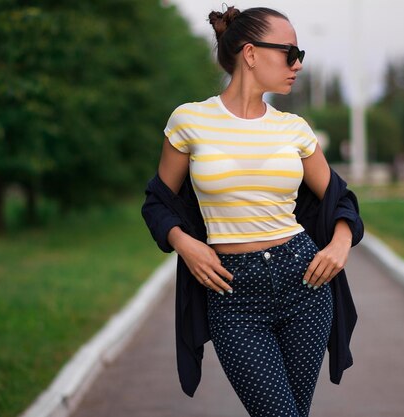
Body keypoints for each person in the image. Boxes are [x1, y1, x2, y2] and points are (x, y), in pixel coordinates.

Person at [142, 5, 364, 417]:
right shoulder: (189, 121)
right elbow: (158, 201)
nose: (297, 64)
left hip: (304, 286)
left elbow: (341, 198)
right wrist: (185, 244)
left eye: (300, 55)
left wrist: (340, 243)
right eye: (289, 52)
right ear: (250, 53)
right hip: (233, 296)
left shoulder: (294, 128)